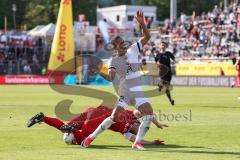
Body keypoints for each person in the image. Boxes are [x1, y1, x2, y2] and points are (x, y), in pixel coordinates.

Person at [81, 11, 154, 150]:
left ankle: (137, 142)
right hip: (125, 90)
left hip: (137, 89)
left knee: (149, 113)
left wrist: (143, 24)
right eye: (120, 42)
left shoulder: (133, 49)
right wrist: (98, 72)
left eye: (123, 42)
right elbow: (111, 78)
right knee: (114, 117)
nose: (124, 44)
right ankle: (90, 137)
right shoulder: (113, 61)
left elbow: (147, 36)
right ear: (116, 46)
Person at [27, 106, 167, 145]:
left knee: (64, 127)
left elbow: (138, 141)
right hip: (97, 116)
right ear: (138, 124)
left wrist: (153, 142)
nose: (137, 132)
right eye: (138, 130)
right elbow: (147, 111)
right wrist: (157, 123)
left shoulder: (125, 132)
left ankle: (43, 118)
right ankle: (74, 130)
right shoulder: (131, 114)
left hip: (91, 112)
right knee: (81, 140)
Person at [155, 42, 176, 106]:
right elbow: (156, 62)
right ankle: (160, 85)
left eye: (164, 45)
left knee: (167, 87)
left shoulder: (168, 53)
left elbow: (174, 60)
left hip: (169, 72)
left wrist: (173, 62)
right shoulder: (158, 55)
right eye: (162, 45)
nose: (163, 46)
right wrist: (158, 64)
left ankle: (170, 100)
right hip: (162, 72)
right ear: (160, 47)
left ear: (165, 46)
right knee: (164, 83)